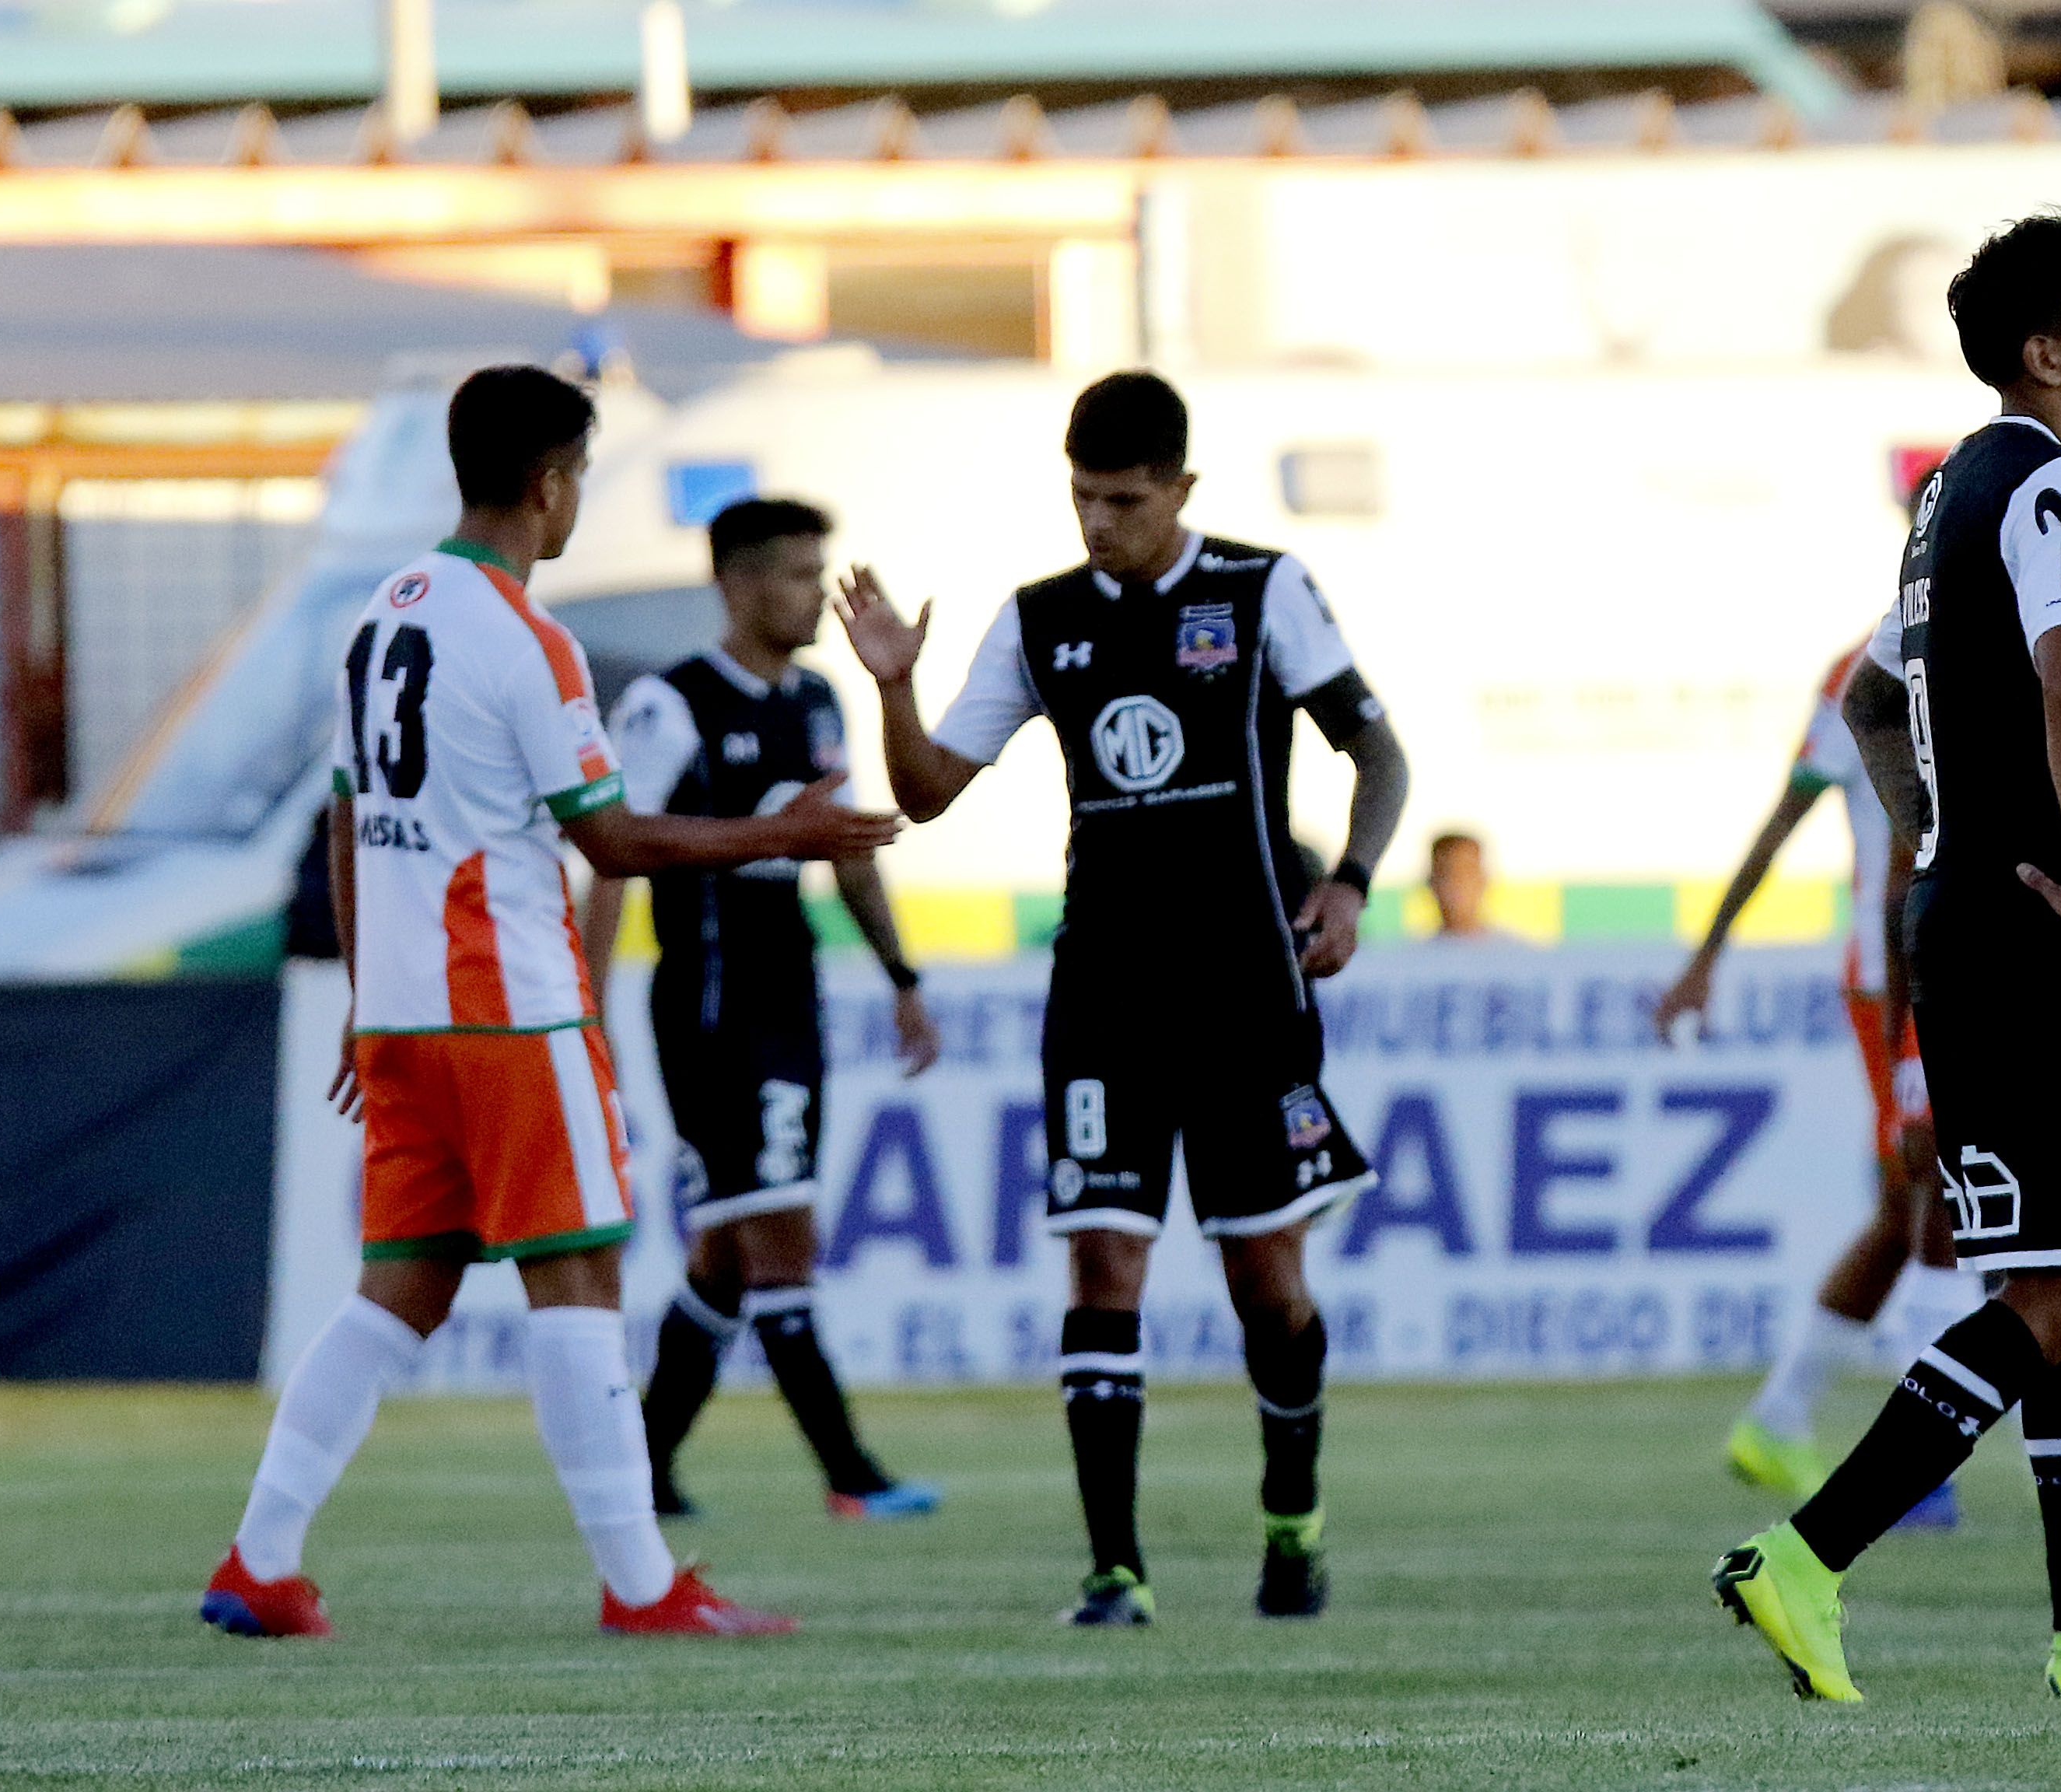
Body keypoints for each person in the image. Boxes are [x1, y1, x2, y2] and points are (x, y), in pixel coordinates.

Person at [203, 366, 896, 1640]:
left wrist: (369, 997)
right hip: (512, 1011)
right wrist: (779, 829)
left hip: (406, 1017)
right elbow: (616, 839)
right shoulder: (528, 637)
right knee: (577, 1273)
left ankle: (261, 1556)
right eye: (579, 476)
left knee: (397, 1289)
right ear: (549, 481)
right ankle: (643, 1583)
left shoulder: (383, 615)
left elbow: (353, 818)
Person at [1710, 213, 2061, 1703]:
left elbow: (1875, 706)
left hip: (1966, 917)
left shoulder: (1954, 490)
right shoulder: (2059, 488)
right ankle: (1805, 1555)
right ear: (2047, 353)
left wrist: (1939, 835)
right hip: (2030, 932)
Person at [840, 370, 1411, 1626]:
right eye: (1084, 498)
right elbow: (930, 787)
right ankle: (1115, 1568)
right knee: (1103, 1259)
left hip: (1247, 990)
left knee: (1268, 1277)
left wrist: (1356, 882)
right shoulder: (1042, 618)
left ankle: (1292, 1518)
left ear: (1182, 490)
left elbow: (1377, 750)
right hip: (1101, 991)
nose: (1100, 523)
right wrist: (892, 685)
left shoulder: (1263, 592)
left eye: (1126, 500)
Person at [579, 496, 944, 1525]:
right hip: (710, 1006)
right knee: (781, 1242)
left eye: (817, 569)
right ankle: (852, 1476)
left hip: (792, 994)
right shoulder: (672, 702)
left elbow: (847, 849)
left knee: (730, 1259)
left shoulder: (821, 702)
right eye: (793, 574)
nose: (814, 594)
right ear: (735, 584)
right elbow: (610, 857)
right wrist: (587, 1008)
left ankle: (645, 1466)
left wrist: (902, 976)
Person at [1656, 639, 1975, 1527]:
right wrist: (1707, 956)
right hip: (1895, 974)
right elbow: (1783, 819)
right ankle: (1923, 1466)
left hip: (1957, 961)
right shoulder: (1868, 667)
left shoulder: (2007, 642)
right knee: (1940, 1200)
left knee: (1903, 1206)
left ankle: (1779, 1418)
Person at [1422, 831, 1516, 941]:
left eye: (1467, 872)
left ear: (1483, 879)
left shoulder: (1520, 954)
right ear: (1431, 881)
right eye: (1445, 873)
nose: (1456, 883)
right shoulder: (1408, 955)